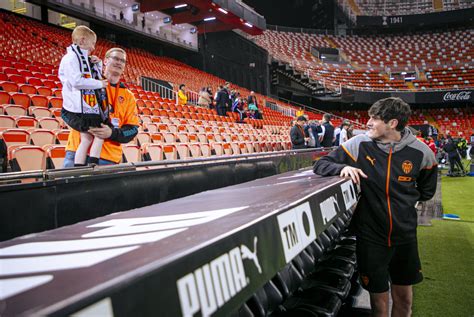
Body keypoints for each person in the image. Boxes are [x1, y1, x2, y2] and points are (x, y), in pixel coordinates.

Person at [314, 97, 437, 317]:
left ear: (392, 123)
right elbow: (320, 164)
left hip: (405, 235)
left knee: (404, 300)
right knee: (379, 305)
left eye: (375, 118)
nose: (368, 122)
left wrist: (403, 202)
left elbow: (427, 190)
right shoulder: (359, 143)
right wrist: (342, 168)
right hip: (371, 236)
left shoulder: (422, 152)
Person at [63, 48, 139, 167]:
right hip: (76, 153)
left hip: (109, 159)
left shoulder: (129, 96)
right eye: (116, 58)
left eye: (122, 61)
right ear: (105, 61)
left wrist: (111, 133)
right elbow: (65, 113)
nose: (119, 62)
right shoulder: (87, 83)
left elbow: (133, 130)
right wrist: (85, 127)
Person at [59, 25, 109, 167]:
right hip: (77, 108)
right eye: (92, 43)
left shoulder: (81, 58)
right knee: (97, 135)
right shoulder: (70, 58)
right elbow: (77, 82)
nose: (93, 47)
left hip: (84, 106)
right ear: (82, 41)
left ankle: (82, 168)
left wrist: (97, 64)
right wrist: (100, 84)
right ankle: (90, 166)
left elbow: (91, 75)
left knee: (88, 138)